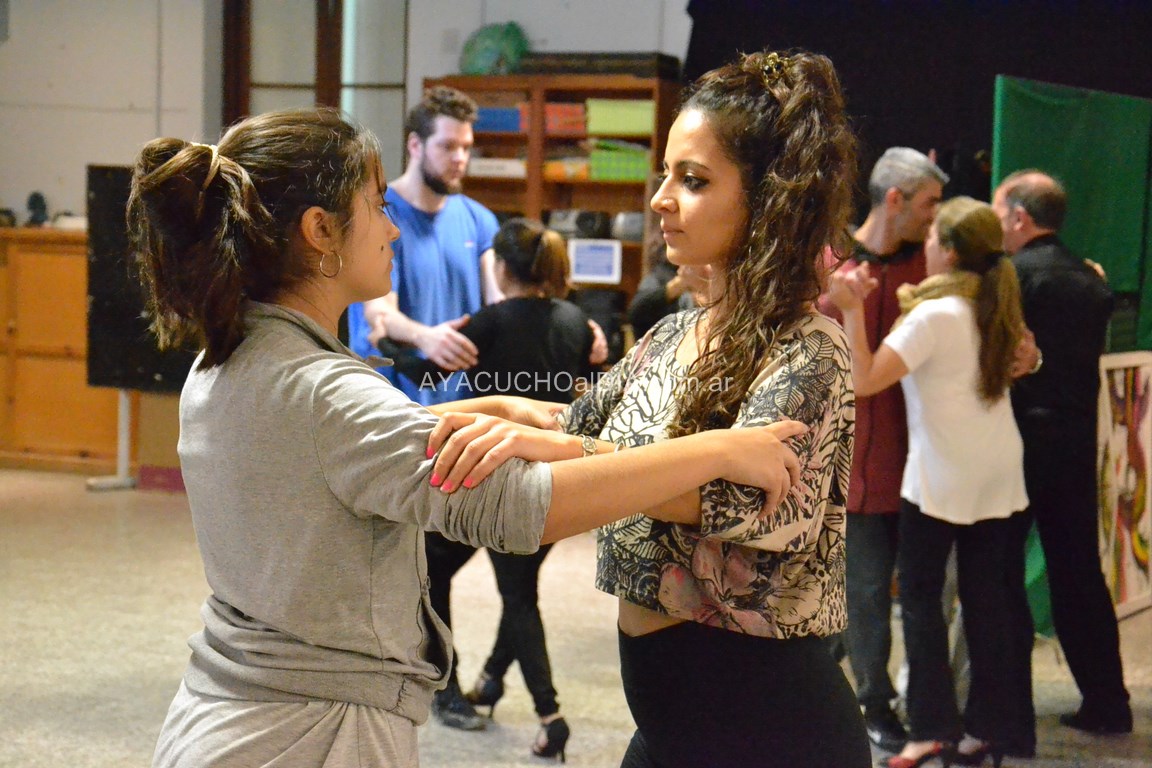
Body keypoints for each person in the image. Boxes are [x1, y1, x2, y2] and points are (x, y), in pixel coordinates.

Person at [129, 107, 808, 768]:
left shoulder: (234, 358)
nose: (391, 228)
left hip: (231, 716)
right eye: (376, 206)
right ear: (320, 230)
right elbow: (524, 504)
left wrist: (491, 409)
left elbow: (338, 450)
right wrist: (718, 450)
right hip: (305, 737)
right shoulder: (324, 394)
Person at [458, 48, 868, 768]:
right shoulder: (674, 334)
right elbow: (575, 427)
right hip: (672, 729)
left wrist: (565, 450)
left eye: (694, 180)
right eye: (666, 175)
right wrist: (494, 412)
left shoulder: (811, 350)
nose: (661, 200)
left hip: (769, 730)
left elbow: (729, 498)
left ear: (768, 199)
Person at [348, 86, 603, 730]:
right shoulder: (380, 215)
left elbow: (504, 309)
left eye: (468, 147)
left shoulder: (480, 221)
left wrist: (575, 329)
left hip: (472, 421)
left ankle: (464, 678)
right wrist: (424, 336)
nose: (461, 158)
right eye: (449, 146)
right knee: (413, 566)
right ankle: (433, 681)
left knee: (479, 568)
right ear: (415, 145)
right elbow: (379, 316)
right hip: (405, 414)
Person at [829, 196, 1031, 768]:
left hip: (941, 477)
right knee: (988, 602)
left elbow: (864, 379)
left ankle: (930, 730)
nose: (928, 245)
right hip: (997, 473)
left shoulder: (933, 315)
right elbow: (1023, 359)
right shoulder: (996, 303)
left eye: (936, 238)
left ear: (951, 251)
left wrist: (850, 310)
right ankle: (984, 731)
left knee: (921, 605)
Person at [382, 216, 592, 757]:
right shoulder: (577, 322)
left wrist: (386, 345)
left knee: (468, 579)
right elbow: (586, 382)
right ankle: (491, 680)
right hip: (558, 479)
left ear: (500, 268)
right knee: (517, 584)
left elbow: (427, 372)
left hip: (489, 477)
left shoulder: (491, 321)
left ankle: (547, 714)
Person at [816, 146, 947, 754]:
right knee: (866, 591)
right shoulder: (830, 263)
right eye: (929, 203)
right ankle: (873, 702)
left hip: (923, 464)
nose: (935, 216)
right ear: (895, 200)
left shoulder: (933, 265)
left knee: (907, 595)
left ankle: (866, 690)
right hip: (849, 466)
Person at [993, 170, 1132, 737]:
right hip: (1075, 444)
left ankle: (1008, 711)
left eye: (998, 213)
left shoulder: (1010, 278)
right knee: (1078, 575)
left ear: (1019, 218)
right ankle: (1108, 702)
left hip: (1017, 442)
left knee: (1000, 574)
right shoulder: (1091, 281)